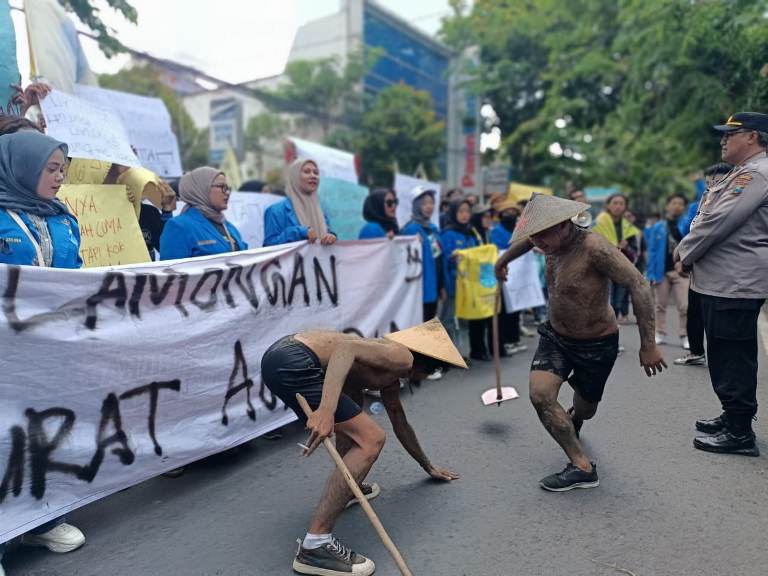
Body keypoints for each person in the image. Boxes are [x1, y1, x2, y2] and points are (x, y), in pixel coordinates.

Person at [260, 319, 464, 576]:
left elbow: (399, 421)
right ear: (427, 365)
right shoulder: (402, 356)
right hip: (292, 361)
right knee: (372, 439)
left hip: (283, 358)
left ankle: (349, 488)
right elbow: (345, 350)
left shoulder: (391, 376)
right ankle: (316, 545)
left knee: (355, 409)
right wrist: (326, 410)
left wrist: (427, 465)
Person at [495, 194, 666, 491]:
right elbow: (528, 240)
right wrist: (502, 260)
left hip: (596, 344)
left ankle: (575, 418)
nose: (538, 243)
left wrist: (647, 344)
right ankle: (582, 466)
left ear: (563, 225)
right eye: (533, 236)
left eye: (543, 235)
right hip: (556, 337)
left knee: (586, 410)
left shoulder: (595, 248)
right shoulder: (545, 240)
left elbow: (638, 284)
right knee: (540, 395)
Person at [0, 130, 86, 574]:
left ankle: (40, 519)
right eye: (51, 169)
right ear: (24, 168)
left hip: (50, 349)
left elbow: (80, 278)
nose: (59, 178)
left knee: (42, 431)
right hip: (4, 352)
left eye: (62, 169)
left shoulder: (62, 216)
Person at [676, 112, 768, 456]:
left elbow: (717, 221)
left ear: (753, 137)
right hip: (728, 280)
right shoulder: (746, 174)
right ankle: (734, 417)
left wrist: (684, 252)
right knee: (728, 351)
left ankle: (740, 432)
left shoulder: (756, 174)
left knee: (731, 354)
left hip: (735, 281)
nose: (723, 140)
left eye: (732, 134)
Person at [675, 163, 732, 367]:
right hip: (697, 264)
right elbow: (689, 231)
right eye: (708, 183)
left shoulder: (731, 203)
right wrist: (685, 256)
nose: (712, 187)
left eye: (717, 182)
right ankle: (696, 351)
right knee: (695, 312)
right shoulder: (699, 204)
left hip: (721, 269)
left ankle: (723, 358)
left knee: (716, 315)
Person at [159, 167, 247, 260]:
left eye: (228, 188)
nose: (228, 192)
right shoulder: (179, 226)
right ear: (202, 188)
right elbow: (172, 271)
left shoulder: (229, 227)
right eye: (222, 187)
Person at [646, 193, 690, 348]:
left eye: (680, 203)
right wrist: (650, 273)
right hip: (661, 272)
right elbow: (651, 250)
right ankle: (660, 333)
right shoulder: (658, 226)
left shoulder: (687, 224)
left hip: (682, 271)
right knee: (660, 305)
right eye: (674, 203)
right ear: (667, 206)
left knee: (684, 306)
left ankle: (684, 335)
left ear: (684, 207)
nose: (677, 206)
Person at [263, 159, 336, 247]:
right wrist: (299, 233)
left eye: (316, 173)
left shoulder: (321, 211)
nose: (313, 176)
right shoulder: (276, 211)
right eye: (307, 172)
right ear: (295, 176)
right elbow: (269, 247)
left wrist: (331, 237)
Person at [593, 193, 641, 322]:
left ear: (625, 207)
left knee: (620, 295)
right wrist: (612, 247)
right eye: (615, 203)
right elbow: (592, 243)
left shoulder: (628, 226)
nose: (618, 206)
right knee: (605, 295)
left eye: (621, 204)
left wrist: (625, 247)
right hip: (603, 266)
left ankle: (617, 318)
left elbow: (636, 250)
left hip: (622, 265)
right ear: (608, 205)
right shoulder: (599, 222)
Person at [401, 187, 445, 322]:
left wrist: (441, 285)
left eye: (431, 203)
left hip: (434, 287)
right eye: (424, 203)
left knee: (431, 323)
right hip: (419, 290)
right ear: (416, 205)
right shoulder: (411, 229)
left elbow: (438, 258)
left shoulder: (433, 229)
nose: (429, 207)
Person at [440, 199, 477, 352]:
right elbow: (444, 259)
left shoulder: (471, 234)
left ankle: (461, 351)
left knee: (464, 320)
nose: (464, 215)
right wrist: (452, 258)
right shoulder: (448, 234)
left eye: (467, 211)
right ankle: (447, 353)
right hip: (453, 284)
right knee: (448, 319)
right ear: (454, 213)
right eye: (460, 211)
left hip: (468, 284)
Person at [490, 200, 526, 354]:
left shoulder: (518, 229)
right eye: (506, 213)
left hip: (518, 275)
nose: (510, 215)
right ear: (500, 215)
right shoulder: (496, 231)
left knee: (516, 308)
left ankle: (514, 339)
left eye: (513, 212)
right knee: (505, 309)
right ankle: (506, 341)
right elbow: (498, 250)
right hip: (504, 273)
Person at [467, 204, 497, 361]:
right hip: (475, 279)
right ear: (478, 218)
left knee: (490, 315)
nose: (489, 220)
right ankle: (477, 350)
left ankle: (492, 348)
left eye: (490, 217)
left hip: (488, 277)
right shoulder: (471, 234)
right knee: (477, 318)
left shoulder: (488, 233)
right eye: (485, 217)